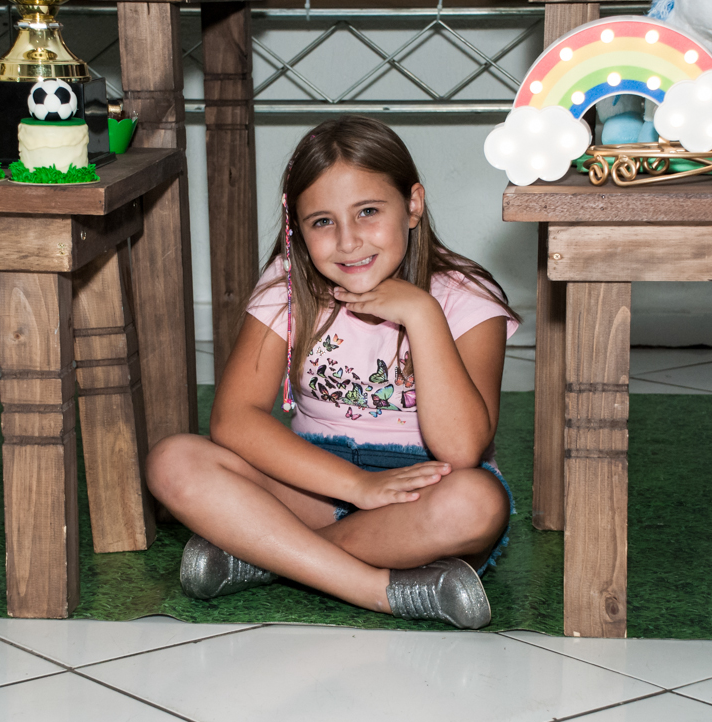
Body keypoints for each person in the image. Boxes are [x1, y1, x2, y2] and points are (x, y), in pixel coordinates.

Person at [147, 116, 519, 629]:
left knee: (475, 504)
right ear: (297, 227)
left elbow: (461, 450)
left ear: (413, 204)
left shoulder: (467, 296)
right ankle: (376, 589)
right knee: (173, 461)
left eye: (368, 211)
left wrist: (422, 315)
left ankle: (264, 554)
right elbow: (234, 419)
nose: (348, 241)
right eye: (322, 221)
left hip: (422, 491)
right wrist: (357, 485)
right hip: (314, 482)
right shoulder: (287, 286)